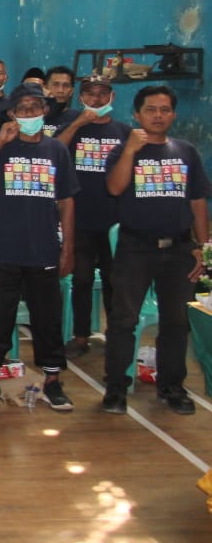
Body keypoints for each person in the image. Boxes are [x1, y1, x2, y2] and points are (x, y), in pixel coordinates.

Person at [0, 83, 78, 412]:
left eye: (35, 107)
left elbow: (66, 202)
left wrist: (68, 248)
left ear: (45, 111)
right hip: (1, 248)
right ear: (12, 114)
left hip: (42, 249)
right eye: (22, 108)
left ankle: (53, 380)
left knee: (47, 319)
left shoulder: (56, 150)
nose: (29, 113)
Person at [101, 86, 210, 414]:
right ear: (137, 114)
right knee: (123, 319)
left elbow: (197, 202)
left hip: (179, 250)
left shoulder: (186, 151)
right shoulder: (123, 150)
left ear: (173, 114)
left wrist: (202, 248)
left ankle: (172, 386)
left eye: (165, 109)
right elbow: (115, 188)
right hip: (135, 248)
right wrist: (131, 151)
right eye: (151, 109)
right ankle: (116, 388)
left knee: (177, 321)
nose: (158, 115)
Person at [55, 75, 130, 358]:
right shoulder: (72, 129)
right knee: (82, 279)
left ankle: (115, 333)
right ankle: (81, 335)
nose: (96, 99)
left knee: (115, 280)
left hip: (115, 220)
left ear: (112, 97)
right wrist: (77, 124)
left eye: (102, 94)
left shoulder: (124, 132)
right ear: (81, 98)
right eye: (90, 94)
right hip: (81, 218)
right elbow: (54, 152)